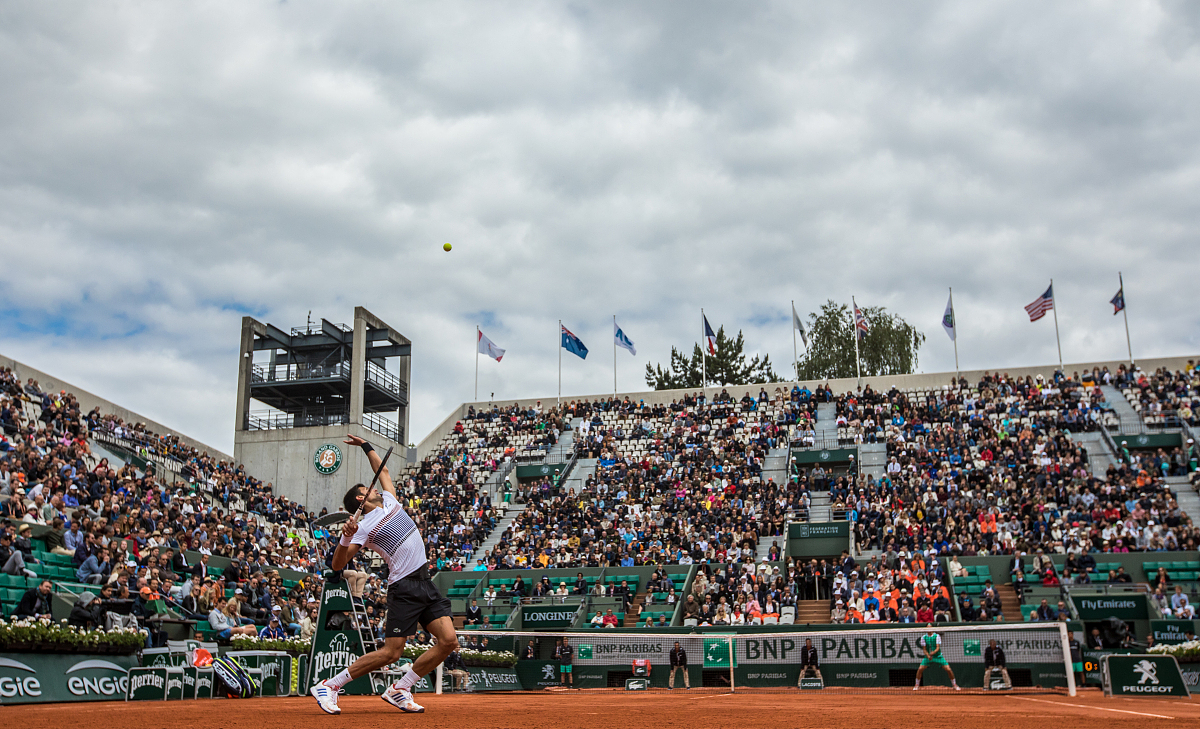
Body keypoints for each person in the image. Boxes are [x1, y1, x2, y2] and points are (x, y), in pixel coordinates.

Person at [310, 435, 457, 716]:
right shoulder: (363, 526)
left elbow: (384, 470)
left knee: (448, 641)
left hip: (425, 583)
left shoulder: (390, 500)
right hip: (403, 587)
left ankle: (400, 688)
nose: (376, 487)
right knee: (391, 653)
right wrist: (345, 538)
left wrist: (366, 446)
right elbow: (338, 565)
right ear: (359, 498)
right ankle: (330, 686)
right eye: (368, 488)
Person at [914, 625, 960, 691]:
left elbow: (937, 648)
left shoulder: (937, 636)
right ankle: (917, 685)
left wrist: (932, 653)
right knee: (920, 669)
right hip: (928, 657)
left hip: (938, 656)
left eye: (930, 627)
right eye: (927, 627)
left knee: (948, 669)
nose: (929, 628)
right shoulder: (923, 637)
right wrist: (928, 655)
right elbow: (924, 649)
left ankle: (954, 685)